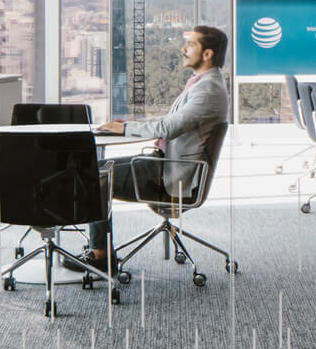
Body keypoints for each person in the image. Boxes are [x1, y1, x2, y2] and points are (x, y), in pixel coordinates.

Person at [78, 25, 228, 270]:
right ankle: (100, 249)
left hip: (171, 175)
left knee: (96, 178)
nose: (183, 49)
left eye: (191, 45)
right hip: (165, 163)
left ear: (208, 54)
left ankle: (101, 255)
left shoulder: (208, 90)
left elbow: (169, 128)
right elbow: (169, 123)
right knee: (95, 169)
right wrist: (128, 124)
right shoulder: (201, 83)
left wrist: (125, 129)